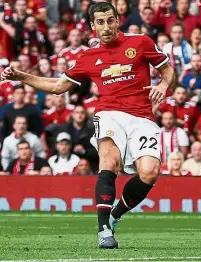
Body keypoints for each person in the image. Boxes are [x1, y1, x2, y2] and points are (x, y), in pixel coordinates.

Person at [1, 2, 175, 249]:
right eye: (100, 23)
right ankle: (104, 229)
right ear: (93, 27)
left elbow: (167, 71)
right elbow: (58, 87)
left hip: (142, 116)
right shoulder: (87, 57)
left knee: (149, 172)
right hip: (109, 113)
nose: (106, 27)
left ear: (117, 20)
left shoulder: (141, 42)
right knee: (110, 161)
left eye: (110, 20)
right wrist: (23, 77)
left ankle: (115, 215)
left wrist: (163, 85)